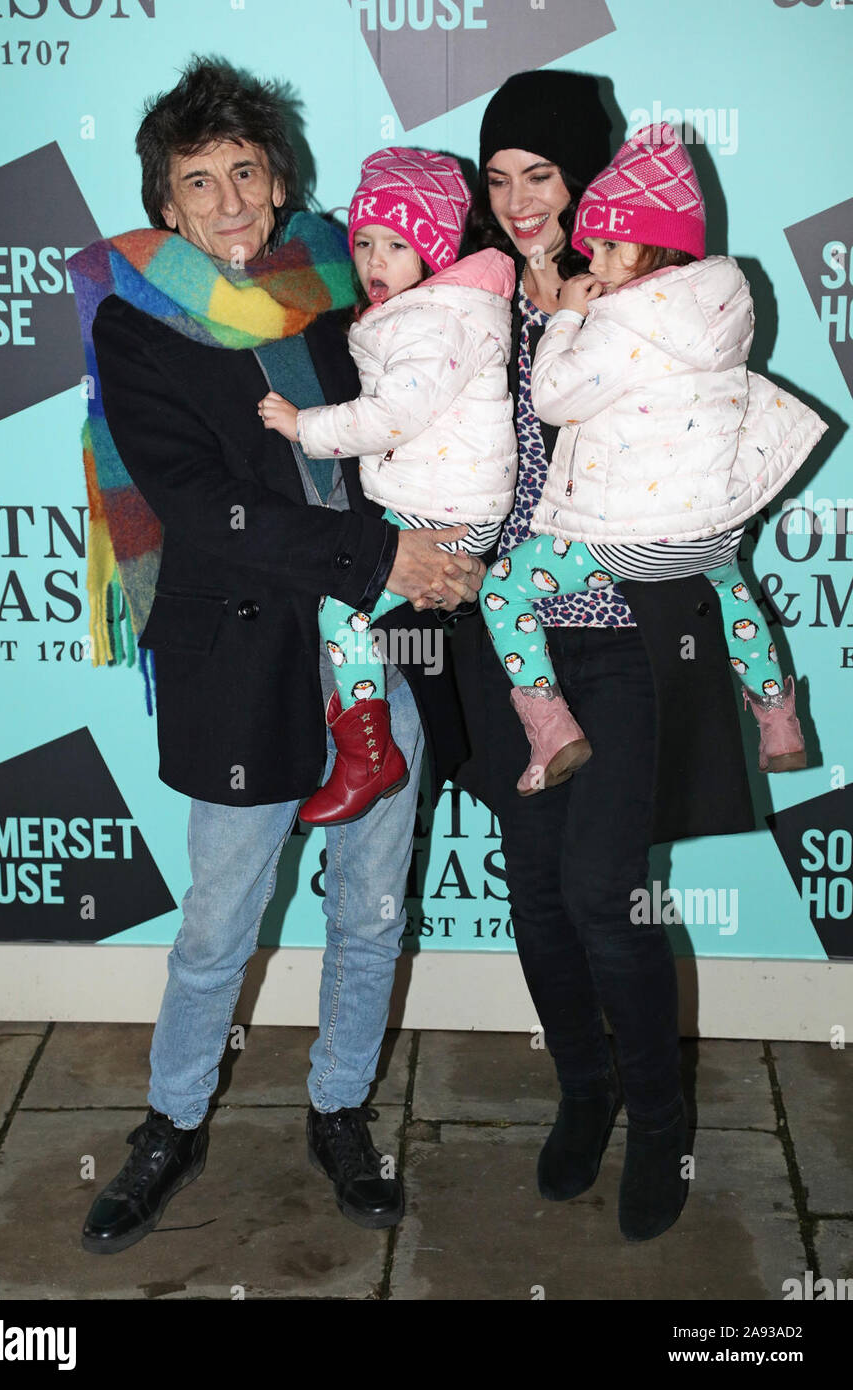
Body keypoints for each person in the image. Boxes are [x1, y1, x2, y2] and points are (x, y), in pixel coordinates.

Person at [67, 57, 484, 1254]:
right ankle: (171, 1122)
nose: (231, 200)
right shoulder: (132, 317)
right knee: (217, 921)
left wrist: (441, 547)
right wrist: (379, 558)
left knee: (369, 906)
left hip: (376, 654)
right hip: (238, 657)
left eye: (246, 170)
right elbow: (200, 509)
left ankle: (343, 1106)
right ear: (168, 202)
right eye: (199, 181)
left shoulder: (352, 293)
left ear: (278, 176)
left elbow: (434, 416)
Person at [450, 69, 759, 1243]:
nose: (522, 200)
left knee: (601, 892)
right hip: (504, 646)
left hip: (623, 643)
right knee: (534, 893)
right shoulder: (468, 297)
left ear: (589, 183)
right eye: (500, 177)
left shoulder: (656, 296)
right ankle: (583, 1091)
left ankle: (658, 1115)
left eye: (544, 175)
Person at [479, 123, 826, 793]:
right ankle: (779, 721)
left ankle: (550, 728)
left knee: (504, 589)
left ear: (657, 247)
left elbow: (552, 399)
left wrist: (566, 319)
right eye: (593, 247)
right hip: (710, 534)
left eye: (611, 246)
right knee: (730, 592)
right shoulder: (721, 303)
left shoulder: (621, 321)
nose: (598, 263)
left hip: (633, 546)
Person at [260, 146, 517, 825]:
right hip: (440, 499)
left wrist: (303, 427)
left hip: (441, 508)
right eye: (366, 242)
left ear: (434, 252)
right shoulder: (420, 311)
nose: (376, 260)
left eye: (399, 244)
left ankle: (368, 756)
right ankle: (369, 748)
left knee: (340, 610)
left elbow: (393, 414)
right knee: (352, 613)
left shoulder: (436, 320)